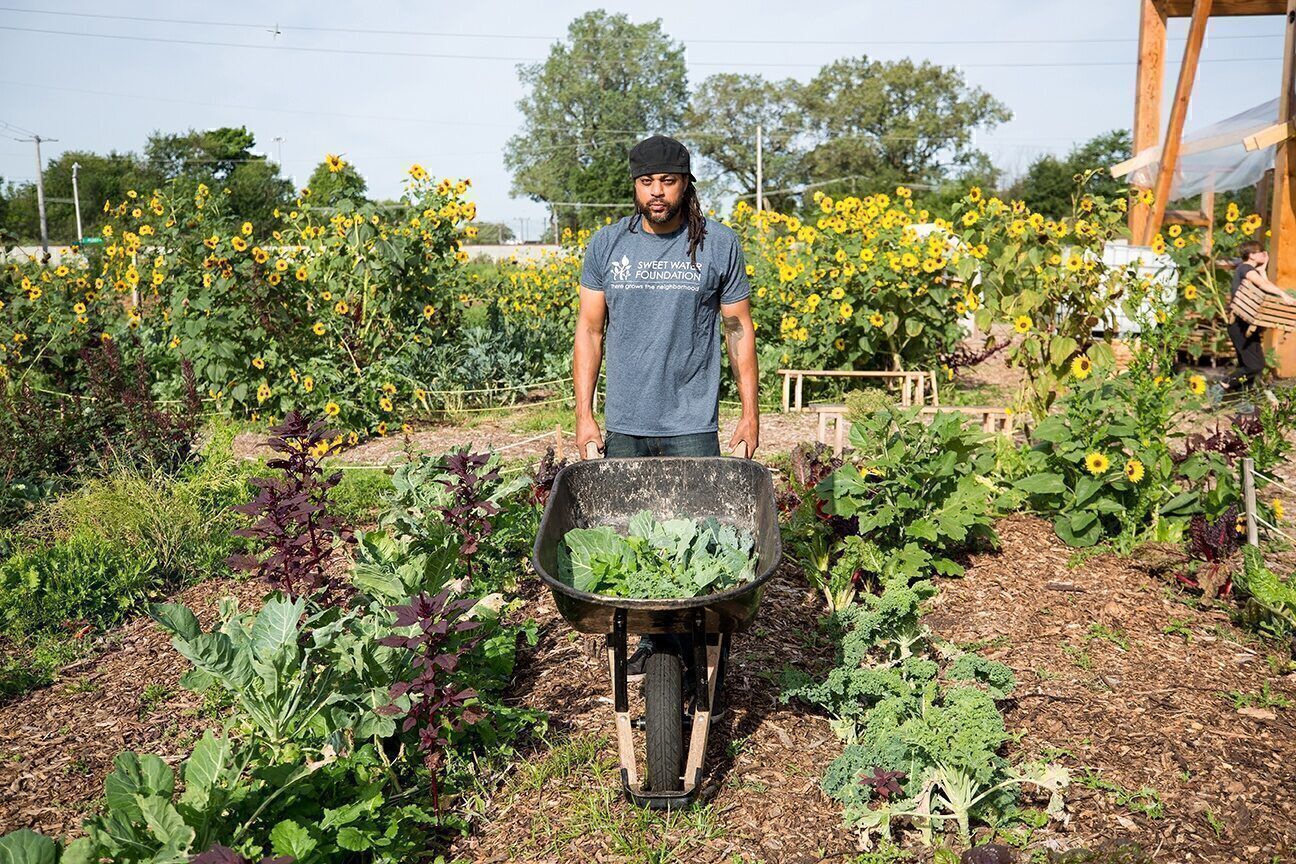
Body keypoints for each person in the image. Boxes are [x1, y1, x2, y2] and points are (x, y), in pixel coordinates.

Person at [572, 135, 760, 686]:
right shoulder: (608, 245)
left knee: (697, 538)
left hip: (691, 422)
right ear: (634, 185)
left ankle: (689, 646)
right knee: (635, 542)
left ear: (686, 184)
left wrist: (750, 413)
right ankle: (657, 641)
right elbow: (589, 330)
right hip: (626, 420)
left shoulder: (719, 246)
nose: (657, 192)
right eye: (647, 182)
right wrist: (585, 414)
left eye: (668, 181)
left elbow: (738, 328)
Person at [1228, 240, 1270, 390]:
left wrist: (1263, 270)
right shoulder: (1245, 268)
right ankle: (1224, 383)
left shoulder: (1248, 270)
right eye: (1261, 252)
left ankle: (1242, 403)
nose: (1265, 254)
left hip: (1244, 325)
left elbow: (1264, 289)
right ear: (1252, 255)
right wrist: (1285, 296)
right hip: (1239, 325)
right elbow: (1264, 285)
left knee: (1251, 366)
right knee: (1254, 366)